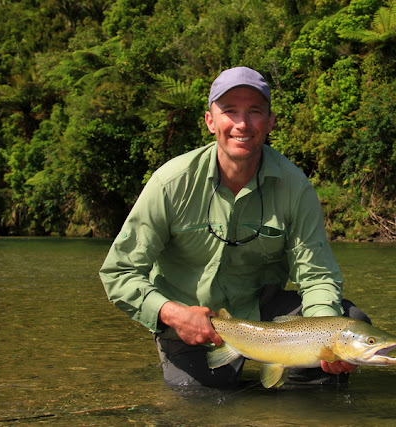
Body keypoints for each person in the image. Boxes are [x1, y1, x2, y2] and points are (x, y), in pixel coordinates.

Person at [99, 66, 370, 388]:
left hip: (263, 315)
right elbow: (119, 272)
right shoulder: (170, 184)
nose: (242, 124)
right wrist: (171, 314)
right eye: (230, 111)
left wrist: (326, 340)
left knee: (350, 326)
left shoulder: (295, 188)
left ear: (270, 122)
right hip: (193, 323)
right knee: (201, 405)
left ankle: (297, 402)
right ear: (210, 121)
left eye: (254, 111)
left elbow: (317, 276)